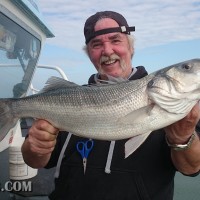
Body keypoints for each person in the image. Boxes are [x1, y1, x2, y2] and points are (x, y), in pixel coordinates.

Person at [21, 11, 200, 200]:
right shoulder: (67, 98)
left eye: (115, 40)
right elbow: (35, 162)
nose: (107, 51)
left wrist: (182, 138)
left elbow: (191, 167)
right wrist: (35, 148)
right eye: (96, 44)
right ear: (89, 54)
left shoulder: (186, 109)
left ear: (130, 48)